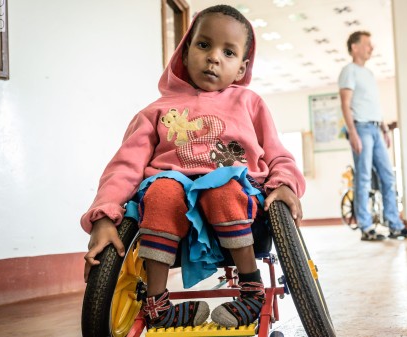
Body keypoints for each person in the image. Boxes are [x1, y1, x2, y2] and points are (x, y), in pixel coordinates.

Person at [80, 5, 305, 329]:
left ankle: (252, 290)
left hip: (239, 201)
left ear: (242, 68)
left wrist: (284, 183)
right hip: (171, 205)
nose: (214, 57)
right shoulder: (154, 112)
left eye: (228, 52)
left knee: (222, 186)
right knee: (161, 190)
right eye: (204, 45)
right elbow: (125, 167)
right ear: (184, 53)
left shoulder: (250, 104)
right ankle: (157, 304)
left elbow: (279, 156)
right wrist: (103, 216)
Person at [338, 31, 407, 241]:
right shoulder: (349, 71)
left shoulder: (370, 74)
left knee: (388, 177)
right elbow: (345, 105)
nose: (371, 48)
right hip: (361, 128)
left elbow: (374, 105)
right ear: (355, 47)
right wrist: (353, 132)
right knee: (363, 178)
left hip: (375, 128)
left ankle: (395, 225)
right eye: (367, 44)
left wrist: (384, 129)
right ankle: (366, 227)